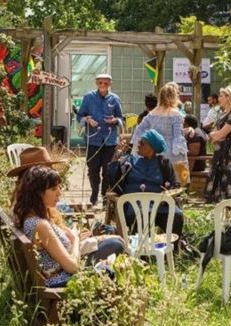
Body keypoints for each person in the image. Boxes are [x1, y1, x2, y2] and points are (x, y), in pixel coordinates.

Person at [13, 165, 125, 288]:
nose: (59, 193)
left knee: (114, 246)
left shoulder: (31, 217)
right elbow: (73, 267)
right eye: (54, 188)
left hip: (56, 275)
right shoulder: (41, 225)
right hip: (59, 281)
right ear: (38, 193)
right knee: (114, 261)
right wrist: (75, 238)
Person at [109, 130, 184, 236]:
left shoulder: (163, 163)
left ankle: (171, 248)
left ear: (152, 148)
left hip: (159, 205)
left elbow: (175, 184)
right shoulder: (130, 161)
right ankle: (143, 250)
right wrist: (117, 155)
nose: (138, 145)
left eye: (142, 143)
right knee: (142, 215)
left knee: (177, 215)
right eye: (138, 142)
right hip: (136, 205)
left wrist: (167, 194)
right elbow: (113, 179)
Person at [76, 73, 123, 206]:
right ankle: (94, 192)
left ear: (110, 84)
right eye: (100, 83)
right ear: (96, 83)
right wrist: (87, 120)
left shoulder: (114, 99)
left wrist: (115, 120)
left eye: (106, 83)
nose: (103, 85)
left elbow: (121, 118)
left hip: (109, 141)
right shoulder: (89, 97)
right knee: (92, 169)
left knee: (108, 170)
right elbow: (80, 116)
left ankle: (105, 196)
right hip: (93, 140)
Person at [131, 82, 189, 186]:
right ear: (174, 97)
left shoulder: (152, 113)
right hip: (172, 151)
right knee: (177, 181)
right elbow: (178, 136)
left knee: (159, 179)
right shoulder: (176, 114)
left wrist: (138, 146)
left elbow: (139, 130)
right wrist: (180, 155)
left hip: (156, 150)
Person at [204, 86, 231, 203]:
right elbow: (217, 134)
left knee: (230, 179)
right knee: (219, 178)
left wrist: (213, 135)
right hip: (220, 151)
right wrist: (215, 135)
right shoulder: (223, 114)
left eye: (221, 96)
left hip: (230, 152)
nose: (219, 98)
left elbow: (221, 134)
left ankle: (229, 209)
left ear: (229, 97)